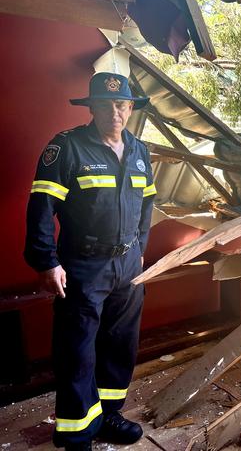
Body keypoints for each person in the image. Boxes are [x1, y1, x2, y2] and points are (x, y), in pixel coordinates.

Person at [24, 72, 156, 451]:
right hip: (83, 265)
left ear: (130, 108)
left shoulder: (139, 151)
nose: (114, 111)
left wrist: (141, 248)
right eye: (105, 104)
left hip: (128, 267)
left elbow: (147, 204)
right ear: (92, 108)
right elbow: (41, 209)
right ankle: (76, 431)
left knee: (120, 344)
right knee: (78, 349)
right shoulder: (66, 148)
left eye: (121, 105)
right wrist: (47, 263)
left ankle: (109, 414)